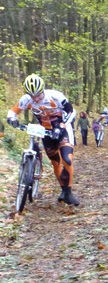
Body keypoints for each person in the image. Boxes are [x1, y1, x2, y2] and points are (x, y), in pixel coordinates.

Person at [6, 74, 80, 206]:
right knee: (55, 163)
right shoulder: (26, 99)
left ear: (43, 90)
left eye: (38, 95)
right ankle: (63, 190)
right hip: (45, 131)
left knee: (67, 159)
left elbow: (71, 112)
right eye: (32, 96)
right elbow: (13, 111)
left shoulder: (56, 96)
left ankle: (68, 193)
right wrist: (11, 118)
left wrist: (62, 126)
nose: (36, 98)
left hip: (62, 129)